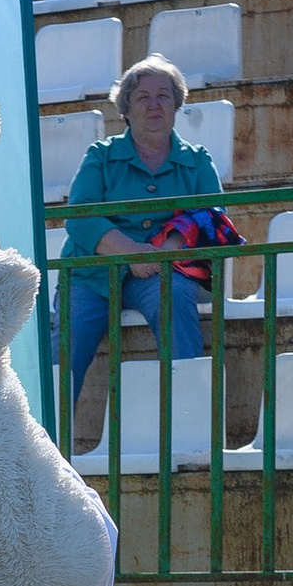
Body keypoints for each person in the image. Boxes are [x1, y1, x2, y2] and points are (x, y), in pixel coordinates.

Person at [58, 55, 223, 406]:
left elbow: (211, 214)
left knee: (175, 296)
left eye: (164, 95)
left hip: (160, 271)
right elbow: (80, 216)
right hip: (92, 275)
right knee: (65, 350)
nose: (154, 105)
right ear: (126, 109)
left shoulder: (197, 161)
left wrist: (169, 247)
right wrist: (132, 251)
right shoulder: (100, 156)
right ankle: (43, 444)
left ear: (177, 104)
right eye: (142, 97)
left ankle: (189, 420)